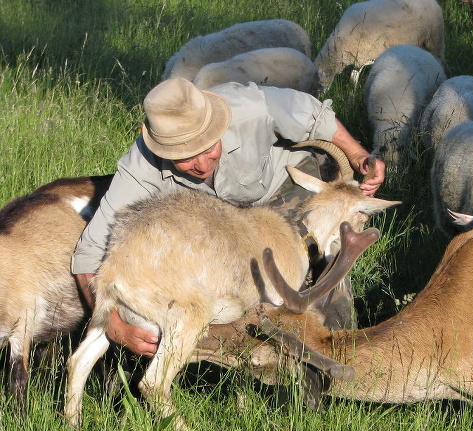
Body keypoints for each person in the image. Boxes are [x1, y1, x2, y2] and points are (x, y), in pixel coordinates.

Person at [72, 77, 386, 357]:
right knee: (251, 294)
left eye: (208, 148)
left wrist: (358, 154)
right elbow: (88, 254)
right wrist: (114, 327)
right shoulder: (141, 166)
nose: (200, 164)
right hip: (224, 220)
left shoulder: (250, 108)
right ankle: (258, 367)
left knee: (323, 265)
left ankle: (344, 348)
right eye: (184, 158)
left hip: (284, 185)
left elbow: (314, 115)